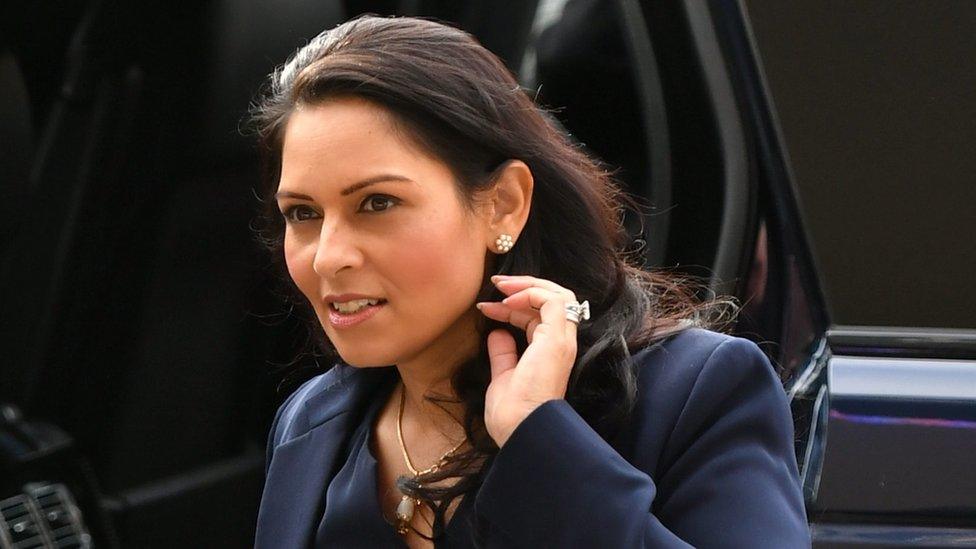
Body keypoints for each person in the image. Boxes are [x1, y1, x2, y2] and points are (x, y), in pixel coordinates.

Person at [251, 14, 809, 549]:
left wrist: (539, 440)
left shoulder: (692, 393)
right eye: (303, 213)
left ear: (503, 205)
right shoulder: (314, 421)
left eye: (378, 203)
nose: (328, 257)